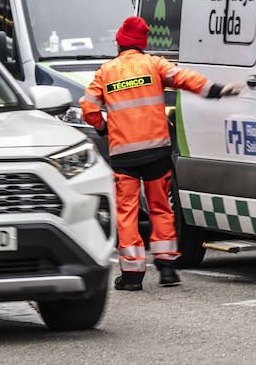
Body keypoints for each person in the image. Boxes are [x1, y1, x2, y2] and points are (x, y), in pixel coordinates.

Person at [80, 16, 239, 291]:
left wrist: (105, 128)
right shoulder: (154, 64)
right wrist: (217, 90)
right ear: (142, 44)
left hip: (124, 157)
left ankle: (131, 276)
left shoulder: (106, 72)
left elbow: (88, 108)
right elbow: (185, 78)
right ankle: (167, 270)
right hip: (156, 153)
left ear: (119, 43)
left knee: (127, 212)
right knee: (161, 209)